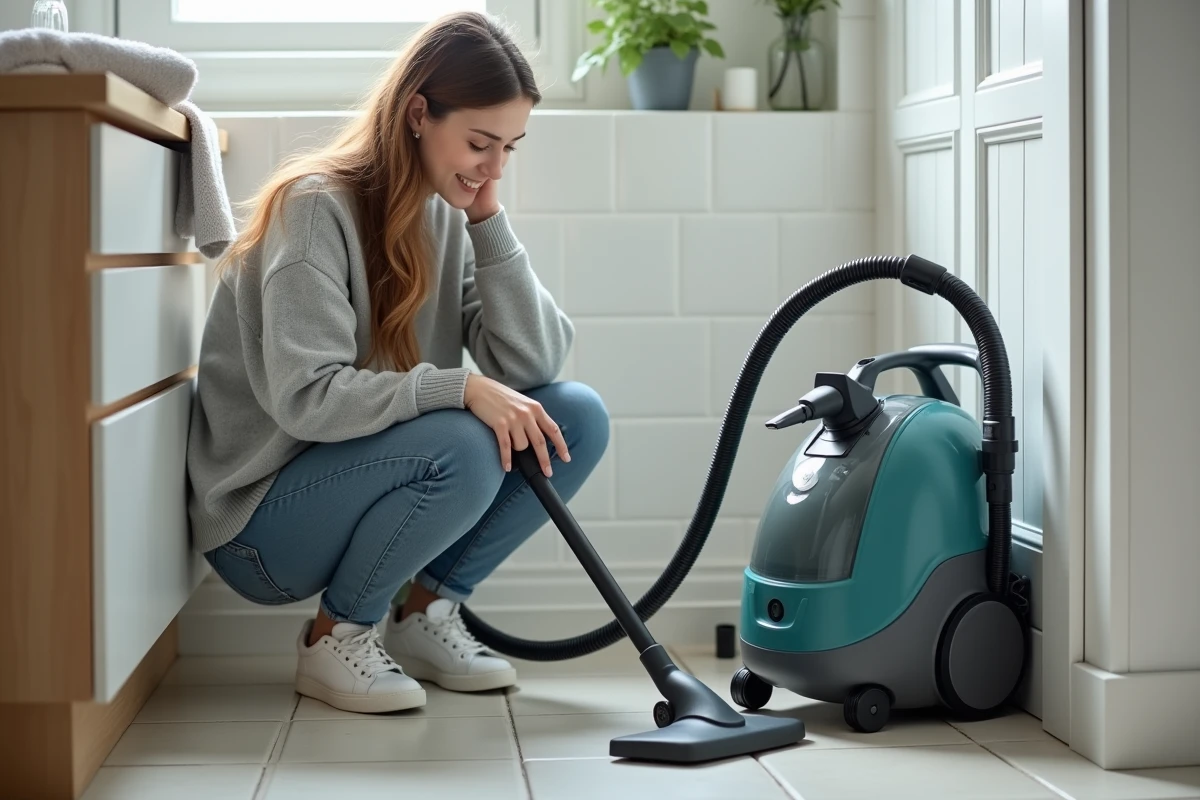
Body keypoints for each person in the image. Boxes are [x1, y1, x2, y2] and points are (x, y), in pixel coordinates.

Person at [185, 11, 609, 715]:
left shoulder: (443, 213)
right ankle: (335, 636)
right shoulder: (316, 208)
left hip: (341, 486)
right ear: (419, 112)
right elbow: (307, 399)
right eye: (480, 143)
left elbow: (534, 363)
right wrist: (462, 386)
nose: (494, 166)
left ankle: (422, 617)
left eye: (510, 148)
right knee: (465, 440)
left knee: (575, 417)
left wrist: (488, 222)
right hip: (261, 525)